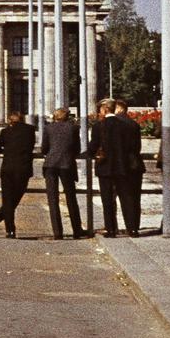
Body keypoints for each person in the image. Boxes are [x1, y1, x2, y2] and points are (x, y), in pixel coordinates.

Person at [90, 99, 144, 236]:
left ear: (104, 109)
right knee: (126, 198)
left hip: (105, 167)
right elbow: (133, 147)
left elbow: (93, 147)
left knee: (107, 199)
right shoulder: (126, 125)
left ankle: (111, 229)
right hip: (122, 167)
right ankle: (132, 228)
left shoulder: (98, 126)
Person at [40, 107, 88, 240]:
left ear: (55, 117)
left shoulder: (48, 128)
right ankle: (77, 230)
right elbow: (77, 148)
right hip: (67, 164)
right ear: (67, 117)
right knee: (71, 197)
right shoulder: (73, 128)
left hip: (50, 164)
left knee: (52, 198)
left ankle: (57, 232)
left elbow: (44, 148)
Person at [0, 111, 36, 239]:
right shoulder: (30, 130)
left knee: (8, 200)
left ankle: (8, 229)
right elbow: (31, 146)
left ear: (10, 120)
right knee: (15, 199)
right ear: (22, 119)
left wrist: (6, 150)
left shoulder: (6, 131)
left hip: (7, 169)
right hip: (23, 169)